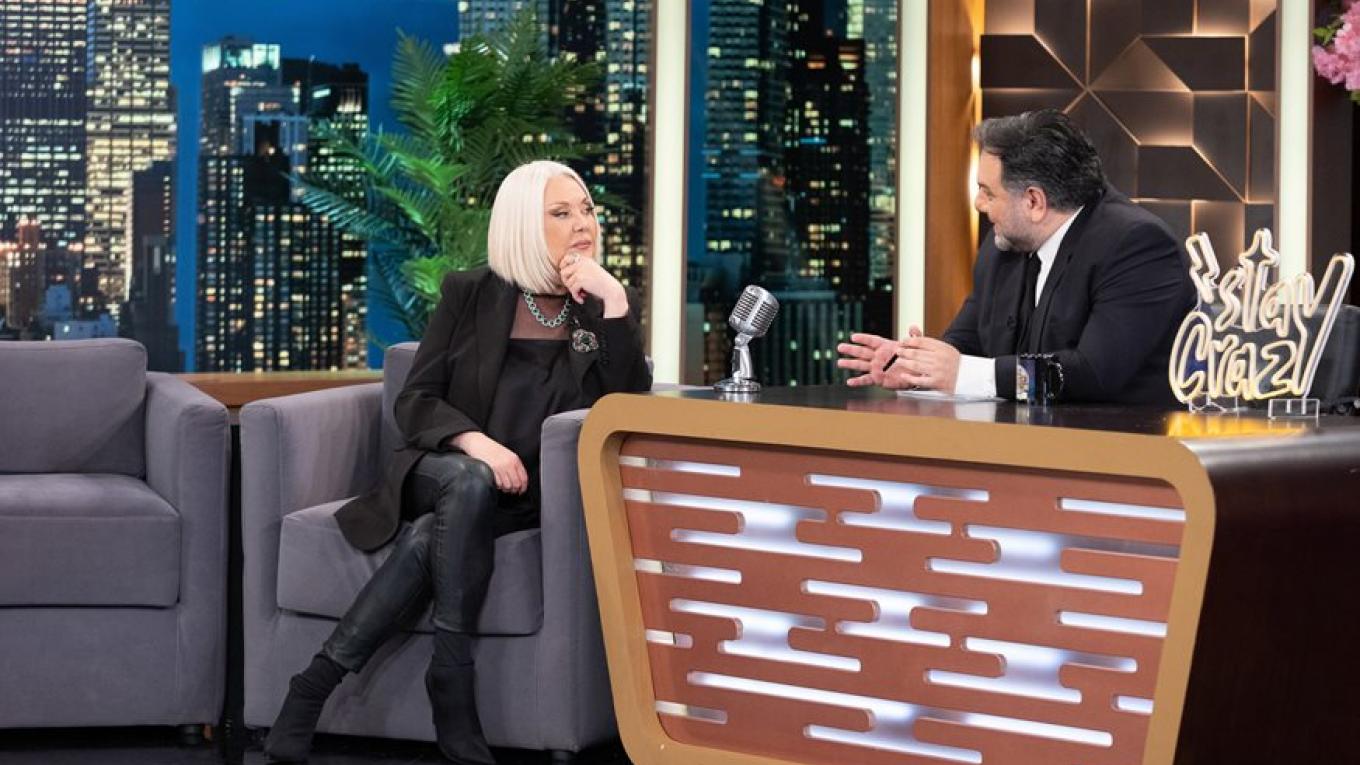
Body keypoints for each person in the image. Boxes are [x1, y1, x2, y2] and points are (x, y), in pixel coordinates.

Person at [263, 160, 651, 764]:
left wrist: (617, 302)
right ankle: (453, 681)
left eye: (587, 210)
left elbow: (625, 407)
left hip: (525, 495)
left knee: (431, 537)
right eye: (561, 213)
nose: (583, 224)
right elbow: (416, 399)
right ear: (522, 225)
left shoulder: (600, 310)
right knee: (467, 483)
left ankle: (313, 684)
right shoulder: (471, 293)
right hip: (443, 468)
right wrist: (478, 444)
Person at [838, 109, 1195, 405]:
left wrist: (964, 373)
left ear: (1034, 201)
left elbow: (1091, 375)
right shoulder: (1001, 246)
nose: (978, 204)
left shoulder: (1136, 246)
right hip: (1020, 449)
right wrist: (918, 367)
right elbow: (966, 344)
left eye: (987, 192)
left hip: (1120, 455)